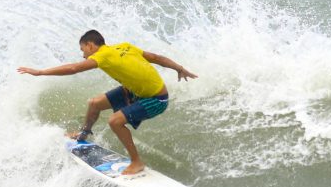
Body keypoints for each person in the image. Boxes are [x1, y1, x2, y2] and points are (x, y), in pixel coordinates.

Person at [17, 30, 197, 175]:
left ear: (90, 45)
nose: (83, 55)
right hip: (135, 91)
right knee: (95, 103)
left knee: (115, 121)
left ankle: (137, 162)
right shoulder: (124, 47)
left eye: (83, 50)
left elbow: (73, 68)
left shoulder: (102, 56)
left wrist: (40, 72)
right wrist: (179, 68)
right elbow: (157, 57)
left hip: (156, 99)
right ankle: (83, 134)